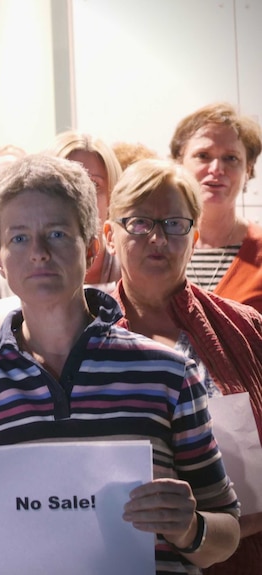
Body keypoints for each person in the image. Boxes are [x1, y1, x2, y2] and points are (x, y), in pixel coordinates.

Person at [0, 155, 240, 575]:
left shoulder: (167, 373)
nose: (39, 253)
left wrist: (191, 528)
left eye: (57, 234)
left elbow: (226, 530)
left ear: (93, 246)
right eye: (20, 238)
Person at [105, 158, 262, 575]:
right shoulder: (81, 333)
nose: (158, 238)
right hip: (120, 557)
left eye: (174, 224)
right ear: (109, 235)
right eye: (139, 223)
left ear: (194, 237)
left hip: (243, 557)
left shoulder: (245, 329)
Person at [0, 132, 123, 303]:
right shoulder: (3, 286)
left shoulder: (130, 271)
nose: (82, 192)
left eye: (94, 184)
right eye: (63, 184)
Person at [169, 102, 262, 312]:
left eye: (231, 158)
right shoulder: (156, 245)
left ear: (247, 170)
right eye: (203, 155)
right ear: (179, 163)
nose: (217, 169)